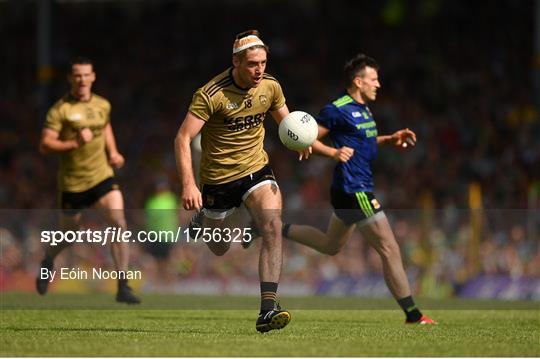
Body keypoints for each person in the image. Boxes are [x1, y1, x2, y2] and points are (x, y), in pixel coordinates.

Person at [272, 54, 434, 324]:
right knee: (389, 247)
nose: (378, 84)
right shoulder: (338, 108)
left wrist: (389, 139)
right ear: (358, 82)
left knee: (330, 245)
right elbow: (305, 141)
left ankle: (275, 228)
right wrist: (333, 153)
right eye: (373, 79)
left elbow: (362, 142)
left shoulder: (364, 109)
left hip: (350, 188)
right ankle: (413, 315)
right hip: (353, 188)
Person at [174, 30, 310, 333]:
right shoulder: (210, 94)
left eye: (263, 62)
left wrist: (301, 140)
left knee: (273, 226)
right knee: (220, 247)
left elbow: (287, 125)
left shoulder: (270, 86)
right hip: (219, 179)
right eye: (252, 64)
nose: (259, 69)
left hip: (256, 169)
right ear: (236, 62)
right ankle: (206, 219)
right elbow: (183, 138)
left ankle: (267, 309)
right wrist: (188, 185)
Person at [36, 56, 140, 304]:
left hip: (101, 176)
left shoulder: (102, 104)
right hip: (73, 183)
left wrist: (113, 152)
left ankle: (123, 285)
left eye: (86, 75)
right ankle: (48, 259)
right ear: (70, 78)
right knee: (69, 233)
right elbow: (45, 145)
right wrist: (74, 143)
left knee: (118, 220)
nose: (82, 79)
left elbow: (105, 127)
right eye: (77, 75)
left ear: (93, 77)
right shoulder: (60, 110)